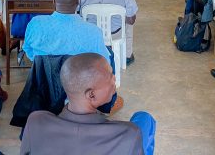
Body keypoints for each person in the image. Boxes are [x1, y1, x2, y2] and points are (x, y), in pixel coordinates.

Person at [21, 52, 156, 155]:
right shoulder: (128, 134)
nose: (114, 79)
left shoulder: (35, 122)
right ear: (91, 95)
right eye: (110, 76)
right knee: (144, 118)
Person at [23, 0, 109, 60]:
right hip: (78, 71)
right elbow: (104, 62)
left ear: (53, 0)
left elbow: (28, 49)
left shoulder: (35, 24)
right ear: (78, 1)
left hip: (43, 71)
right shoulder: (94, 32)